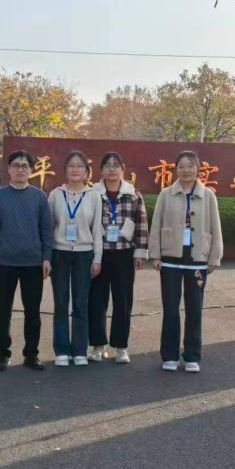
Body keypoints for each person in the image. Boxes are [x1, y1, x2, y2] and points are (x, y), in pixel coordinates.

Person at [148, 150, 223, 373]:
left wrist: (214, 257)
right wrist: (155, 255)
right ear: (176, 169)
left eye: (190, 166)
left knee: (194, 310)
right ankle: (170, 355)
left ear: (198, 169)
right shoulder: (166, 195)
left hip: (197, 260)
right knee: (170, 309)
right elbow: (156, 224)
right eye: (181, 166)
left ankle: (192, 356)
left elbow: (216, 227)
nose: (186, 170)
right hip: (170, 260)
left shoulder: (208, 195)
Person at [0, 150, 54, 372]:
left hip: (33, 263)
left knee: (32, 312)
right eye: (16, 165)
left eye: (25, 166)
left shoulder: (39, 197)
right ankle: (2, 354)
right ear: (9, 169)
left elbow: (47, 231)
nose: (20, 169)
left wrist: (46, 257)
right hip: (5, 263)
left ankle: (31, 354)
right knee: (3, 311)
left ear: (31, 170)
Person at [88, 152, 149, 364]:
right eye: (107, 165)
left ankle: (121, 347)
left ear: (123, 169)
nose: (112, 169)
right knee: (97, 301)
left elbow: (141, 223)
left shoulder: (133, 194)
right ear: (101, 170)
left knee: (123, 301)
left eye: (116, 165)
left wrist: (140, 252)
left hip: (124, 254)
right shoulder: (93, 194)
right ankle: (98, 345)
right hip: (99, 254)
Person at [47, 151, 103, 367]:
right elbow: (48, 228)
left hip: (84, 254)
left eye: (80, 166)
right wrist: (47, 257)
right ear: (65, 170)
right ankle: (62, 350)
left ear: (87, 171)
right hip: (59, 253)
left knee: (81, 303)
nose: (75, 169)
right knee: (61, 303)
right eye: (71, 166)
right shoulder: (55, 195)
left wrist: (97, 258)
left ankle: (80, 350)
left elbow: (97, 229)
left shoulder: (94, 196)